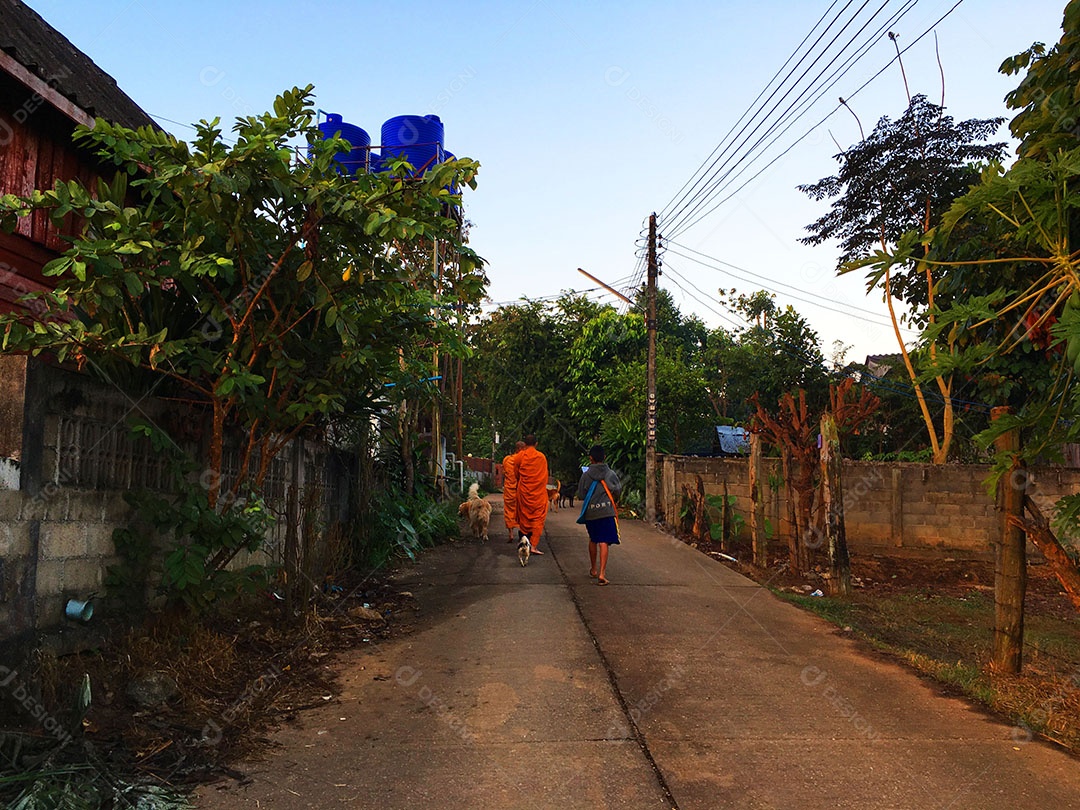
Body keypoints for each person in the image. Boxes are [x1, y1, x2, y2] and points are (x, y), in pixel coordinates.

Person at [577, 445, 622, 585]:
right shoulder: (610, 474)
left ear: (590, 458)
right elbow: (618, 490)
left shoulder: (586, 475)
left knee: (593, 539)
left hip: (591, 512)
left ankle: (594, 569)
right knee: (604, 541)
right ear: (605, 457)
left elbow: (581, 495)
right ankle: (602, 574)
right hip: (606, 512)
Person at [515, 434, 550, 555]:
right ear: (536, 444)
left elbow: (517, 474)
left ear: (524, 444)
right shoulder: (541, 457)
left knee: (524, 516)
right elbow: (544, 475)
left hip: (524, 492)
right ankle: (533, 545)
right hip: (538, 493)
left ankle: (524, 540)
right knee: (538, 518)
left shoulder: (519, 456)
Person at [501, 440, 526, 542]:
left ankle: (511, 534)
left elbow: (504, 473)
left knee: (509, 511)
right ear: (520, 449)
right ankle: (522, 533)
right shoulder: (523, 460)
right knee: (521, 512)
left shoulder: (507, 459)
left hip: (509, 490)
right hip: (520, 490)